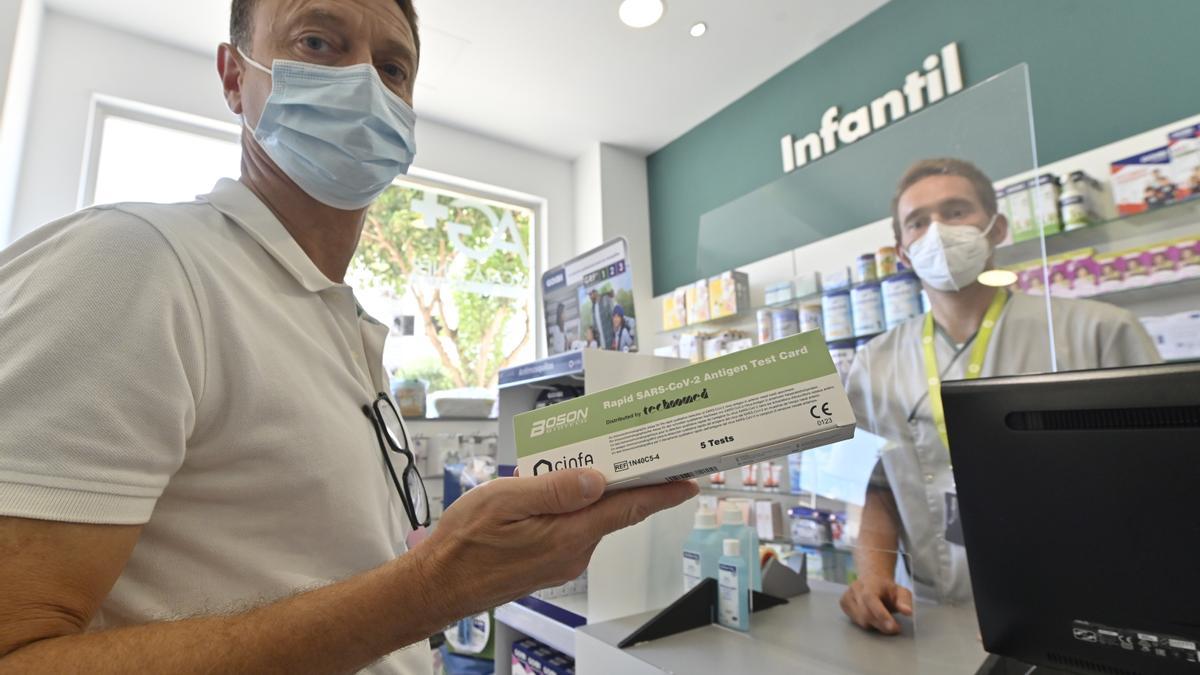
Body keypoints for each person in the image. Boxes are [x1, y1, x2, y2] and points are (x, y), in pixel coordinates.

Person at [0, 1, 697, 672]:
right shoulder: (138, 263)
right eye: (318, 42)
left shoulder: (336, 322)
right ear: (235, 76)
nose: (365, 82)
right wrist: (437, 585)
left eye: (394, 69)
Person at [839, 158, 1160, 635]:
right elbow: (873, 486)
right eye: (918, 222)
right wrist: (873, 576)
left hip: (1085, 610)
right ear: (903, 254)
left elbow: (1159, 485)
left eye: (955, 212)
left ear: (996, 227)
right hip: (931, 614)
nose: (938, 232)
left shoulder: (1097, 330)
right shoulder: (874, 363)